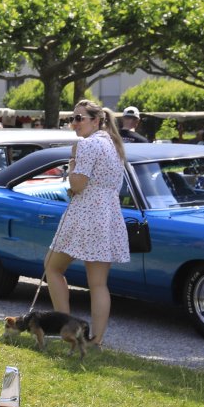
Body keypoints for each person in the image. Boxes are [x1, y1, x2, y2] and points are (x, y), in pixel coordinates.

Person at [44, 100, 130, 348]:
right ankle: (96, 341)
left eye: (79, 118)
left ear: (96, 120)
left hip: (86, 214)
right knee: (98, 283)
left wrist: (72, 161)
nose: (74, 123)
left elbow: (78, 185)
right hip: (108, 215)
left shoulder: (89, 144)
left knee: (52, 267)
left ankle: (66, 329)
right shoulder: (113, 144)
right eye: (72, 118)